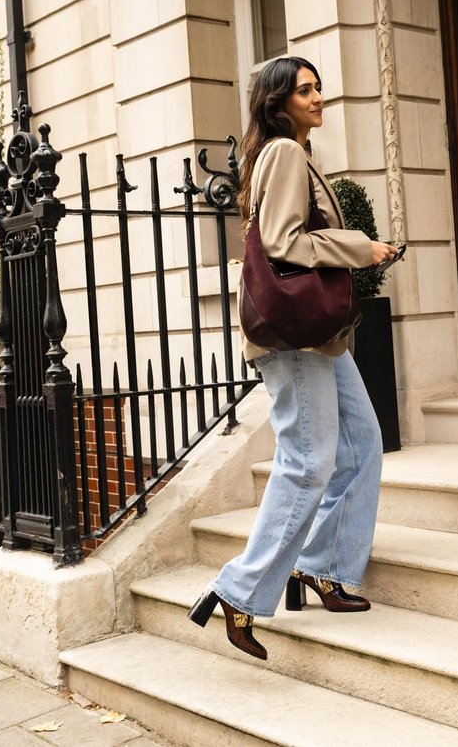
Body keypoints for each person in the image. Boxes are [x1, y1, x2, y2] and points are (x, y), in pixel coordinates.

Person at [188, 56, 399, 660]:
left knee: (361, 442)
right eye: (304, 90)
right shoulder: (283, 152)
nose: (317, 96)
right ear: (278, 102)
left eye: (318, 87)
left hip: (316, 334)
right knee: (308, 461)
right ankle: (239, 590)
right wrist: (361, 247)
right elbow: (283, 242)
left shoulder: (294, 153)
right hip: (295, 333)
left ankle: (324, 564)